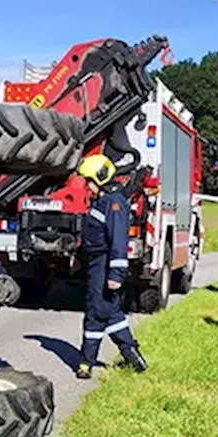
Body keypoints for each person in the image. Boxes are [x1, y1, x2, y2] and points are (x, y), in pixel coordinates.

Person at [75, 155, 147, 379]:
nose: (87, 186)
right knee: (108, 309)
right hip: (97, 263)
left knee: (98, 311)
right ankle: (131, 354)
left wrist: (116, 273)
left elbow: (118, 241)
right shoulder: (106, 200)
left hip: (105, 264)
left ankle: (88, 362)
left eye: (89, 180)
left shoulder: (113, 204)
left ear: (100, 178)